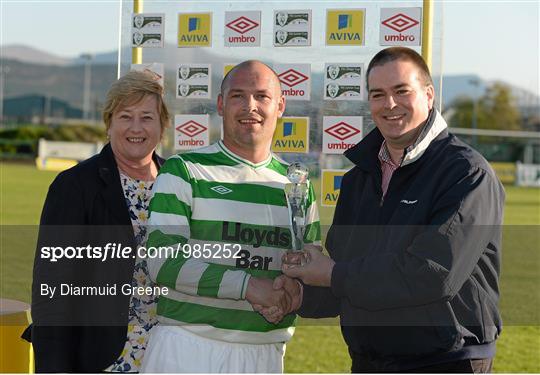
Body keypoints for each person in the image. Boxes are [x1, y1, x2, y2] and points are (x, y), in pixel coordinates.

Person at [275, 47, 505, 372]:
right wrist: (300, 296)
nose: (390, 104)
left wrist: (332, 273)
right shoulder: (359, 179)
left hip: (446, 361)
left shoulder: (466, 173)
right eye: (378, 94)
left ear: (428, 94)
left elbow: (432, 274)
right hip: (370, 361)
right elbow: (349, 276)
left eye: (401, 91)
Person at [140, 60, 320, 373]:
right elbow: (163, 262)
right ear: (222, 105)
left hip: (265, 353)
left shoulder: (297, 185)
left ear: (280, 106)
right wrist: (250, 286)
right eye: (238, 96)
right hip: (188, 346)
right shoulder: (185, 171)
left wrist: (294, 293)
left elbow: (312, 265)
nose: (250, 106)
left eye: (262, 96)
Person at [29, 70, 169, 372]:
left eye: (147, 117)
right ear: (109, 123)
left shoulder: (179, 184)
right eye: (125, 116)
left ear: (162, 125)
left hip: (170, 356)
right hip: (103, 359)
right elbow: (53, 289)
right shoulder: (75, 186)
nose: (136, 127)